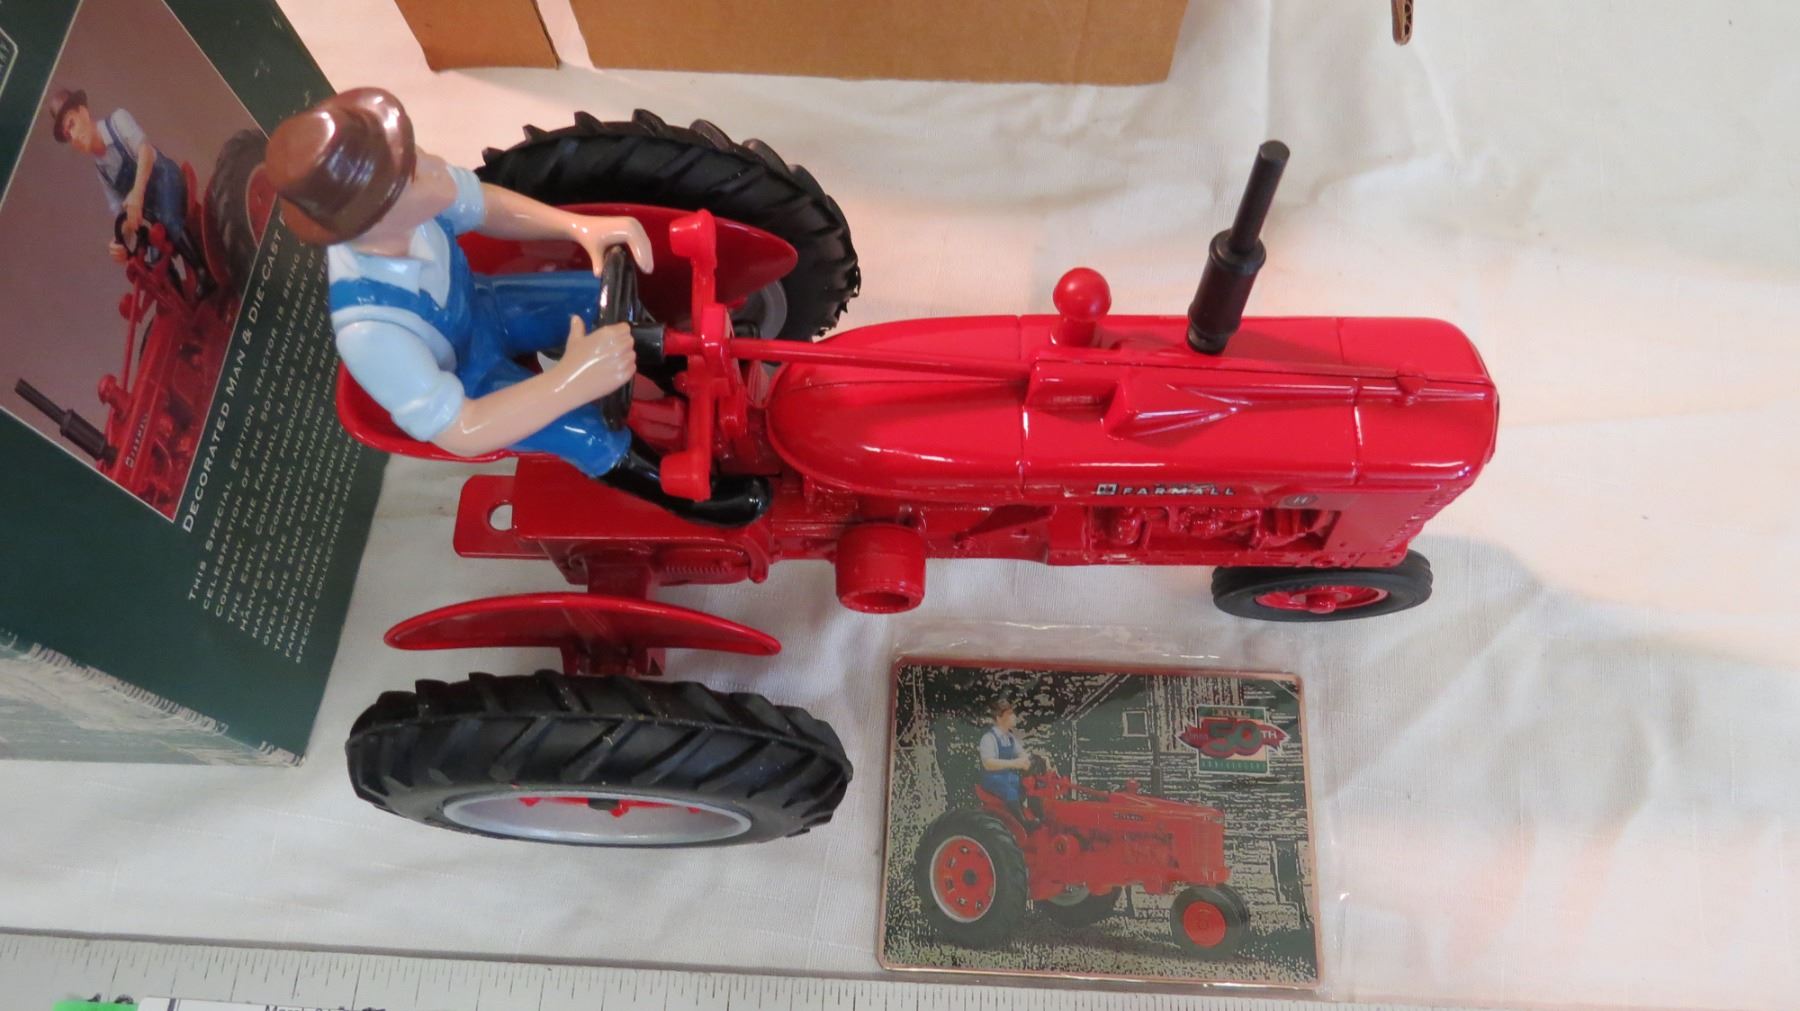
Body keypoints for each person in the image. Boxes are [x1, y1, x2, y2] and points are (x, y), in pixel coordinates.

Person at [262, 88, 768, 525]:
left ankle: (682, 367)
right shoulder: (373, 331)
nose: (433, 166)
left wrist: (577, 227)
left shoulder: (415, 205)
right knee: (585, 429)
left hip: (487, 305)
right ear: (371, 218)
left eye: (412, 154)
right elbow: (462, 430)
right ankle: (678, 492)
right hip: (470, 379)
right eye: (410, 175)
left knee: (593, 295)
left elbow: (484, 204)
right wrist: (570, 382)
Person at [47, 88, 205, 278]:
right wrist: (120, 240)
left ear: (83, 112)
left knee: (169, 221)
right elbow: (121, 211)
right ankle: (179, 294)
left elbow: (145, 152)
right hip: (153, 210)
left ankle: (204, 273)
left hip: (166, 181)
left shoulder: (117, 121)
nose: (73, 136)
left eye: (71, 124)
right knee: (155, 260)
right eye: (67, 135)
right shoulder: (102, 170)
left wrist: (137, 193)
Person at [978, 699, 1038, 825]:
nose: (1014, 717)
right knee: (1011, 791)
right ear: (999, 718)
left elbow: (1021, 753)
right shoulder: (988, 738)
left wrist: (1036, 759)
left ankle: (1033, 815)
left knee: (1027, 785)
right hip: (992, 779)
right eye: (1010, 714)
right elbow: (988, 764)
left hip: (1007, 776)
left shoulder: (1010, 738)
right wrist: (1014, 763)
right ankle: (1022, 824)